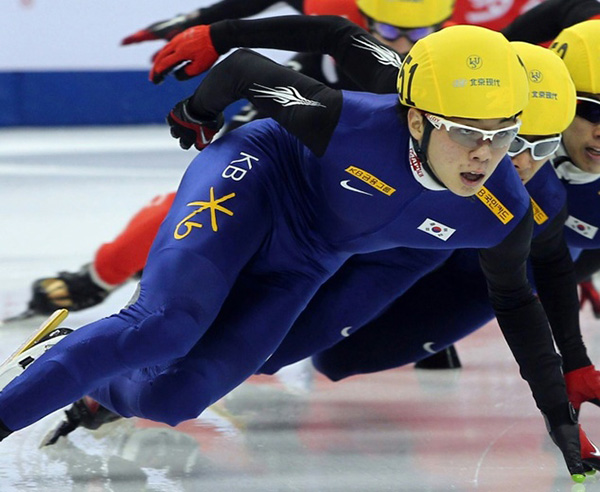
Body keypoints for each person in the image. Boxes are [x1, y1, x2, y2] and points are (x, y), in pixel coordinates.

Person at [0, 24, 594, 479]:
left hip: (312, 253)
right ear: (415, 120)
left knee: (176, 397)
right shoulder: (348, 119)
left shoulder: (504, 211)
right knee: (167, 327)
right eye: (466, 131)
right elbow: (245, 69)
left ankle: (67, 361)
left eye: (508, 136)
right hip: (258, 179)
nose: (488, 156)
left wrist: (557, 414)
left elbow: (519, 303)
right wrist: (198, 113)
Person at [20, 0, 456, 319]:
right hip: (305, 100)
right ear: (363, 16)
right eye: (387, 28)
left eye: (418, 34)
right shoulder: (335, 11)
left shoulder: (459, 56)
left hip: (372, 147)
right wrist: (202, 24)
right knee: (216, 190)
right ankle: (98, 276)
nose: (401, 43)